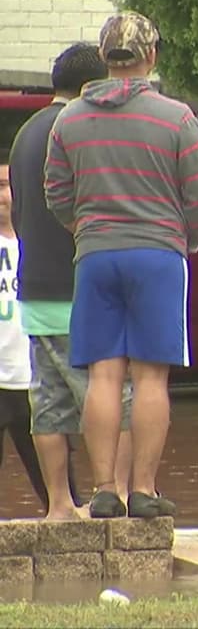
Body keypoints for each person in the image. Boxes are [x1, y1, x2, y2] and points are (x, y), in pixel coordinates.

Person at [44, 12, 198, 518]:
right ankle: (141, 489)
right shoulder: (177, 119)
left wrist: (84, 230)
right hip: (158, 256)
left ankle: (103, 490)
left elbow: (56, 193)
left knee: (103, 375)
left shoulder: (69, 120)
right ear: (151, 56)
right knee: (150, 378)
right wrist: (185, 239)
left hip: (96, 255)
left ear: (104, 57)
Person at [10, 42, 134, 521]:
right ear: (93, 85)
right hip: (80, 289)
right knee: (113, 397)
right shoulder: (80, 129)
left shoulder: (26, 134)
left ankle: (59, 504)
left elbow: (20, 213)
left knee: (48, 404)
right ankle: (117, 494)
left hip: (35, 291)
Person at [0, 158, 45, 513]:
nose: (2, 195)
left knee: (56, 486)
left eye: (5, 186)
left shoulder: (42, 245)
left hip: (34, 379)